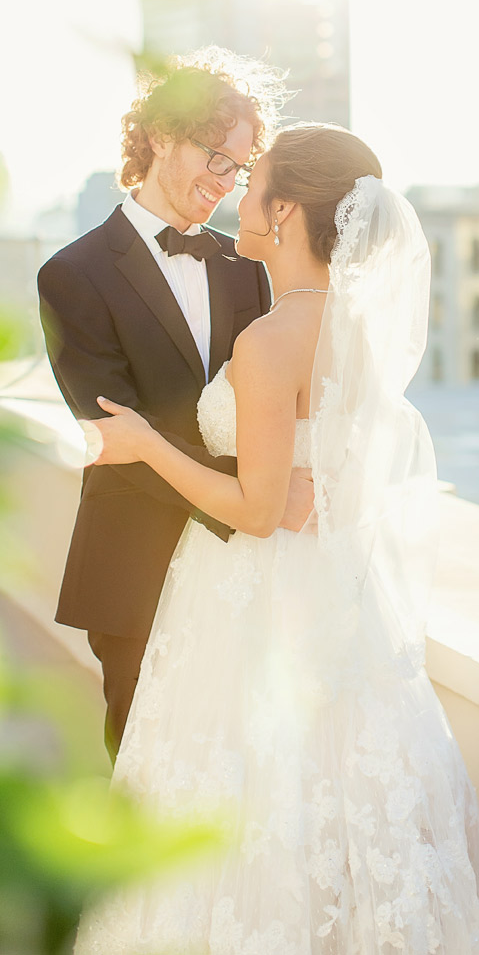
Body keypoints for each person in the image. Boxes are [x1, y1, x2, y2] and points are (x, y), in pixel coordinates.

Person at [73, 123, 479, 954]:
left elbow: (253, 510)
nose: (239, 196)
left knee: (245, 801)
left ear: (281, 212)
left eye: (252, 184)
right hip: (336, 600)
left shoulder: (269, 340)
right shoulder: (358, 331)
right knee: (331, 794)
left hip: (250, 600)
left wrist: (146, 445)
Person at [37, 49, 314, 764]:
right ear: (160, 136)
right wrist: (256, 496)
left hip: (238, 574)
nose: (223, 183)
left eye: (238, 169)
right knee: (140, 767)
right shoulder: (71, 274)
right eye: (213, 156)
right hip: (135, 563)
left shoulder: (245, 268)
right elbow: (114, 433)